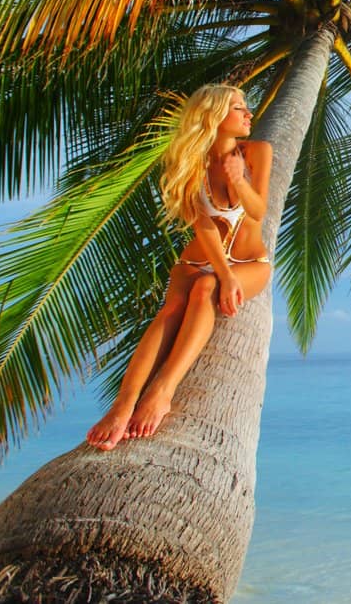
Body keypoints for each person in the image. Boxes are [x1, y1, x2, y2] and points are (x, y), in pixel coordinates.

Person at [86, 83, 274, 451]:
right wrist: (222, 273)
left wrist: (238, 178)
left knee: (204, 290)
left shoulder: (256, 152)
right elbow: (202, 224)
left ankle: (162, 390)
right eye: (239, 108)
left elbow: (257, 210)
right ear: (215, 116)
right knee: (172, 307)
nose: (249, 114)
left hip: (251, 262)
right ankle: (123, 404)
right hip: (200, 257)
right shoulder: (191, 162)